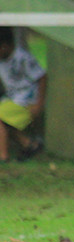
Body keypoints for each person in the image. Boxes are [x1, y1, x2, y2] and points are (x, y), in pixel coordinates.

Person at [0, 27, 46, 163]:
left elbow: (42, 76)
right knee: (7, 123)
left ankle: (3, 156)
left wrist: (39, 104)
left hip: (25, 100)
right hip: (11, 99)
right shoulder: (3, 60)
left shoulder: (22, 57)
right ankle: (29, 144)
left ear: (5, 46)